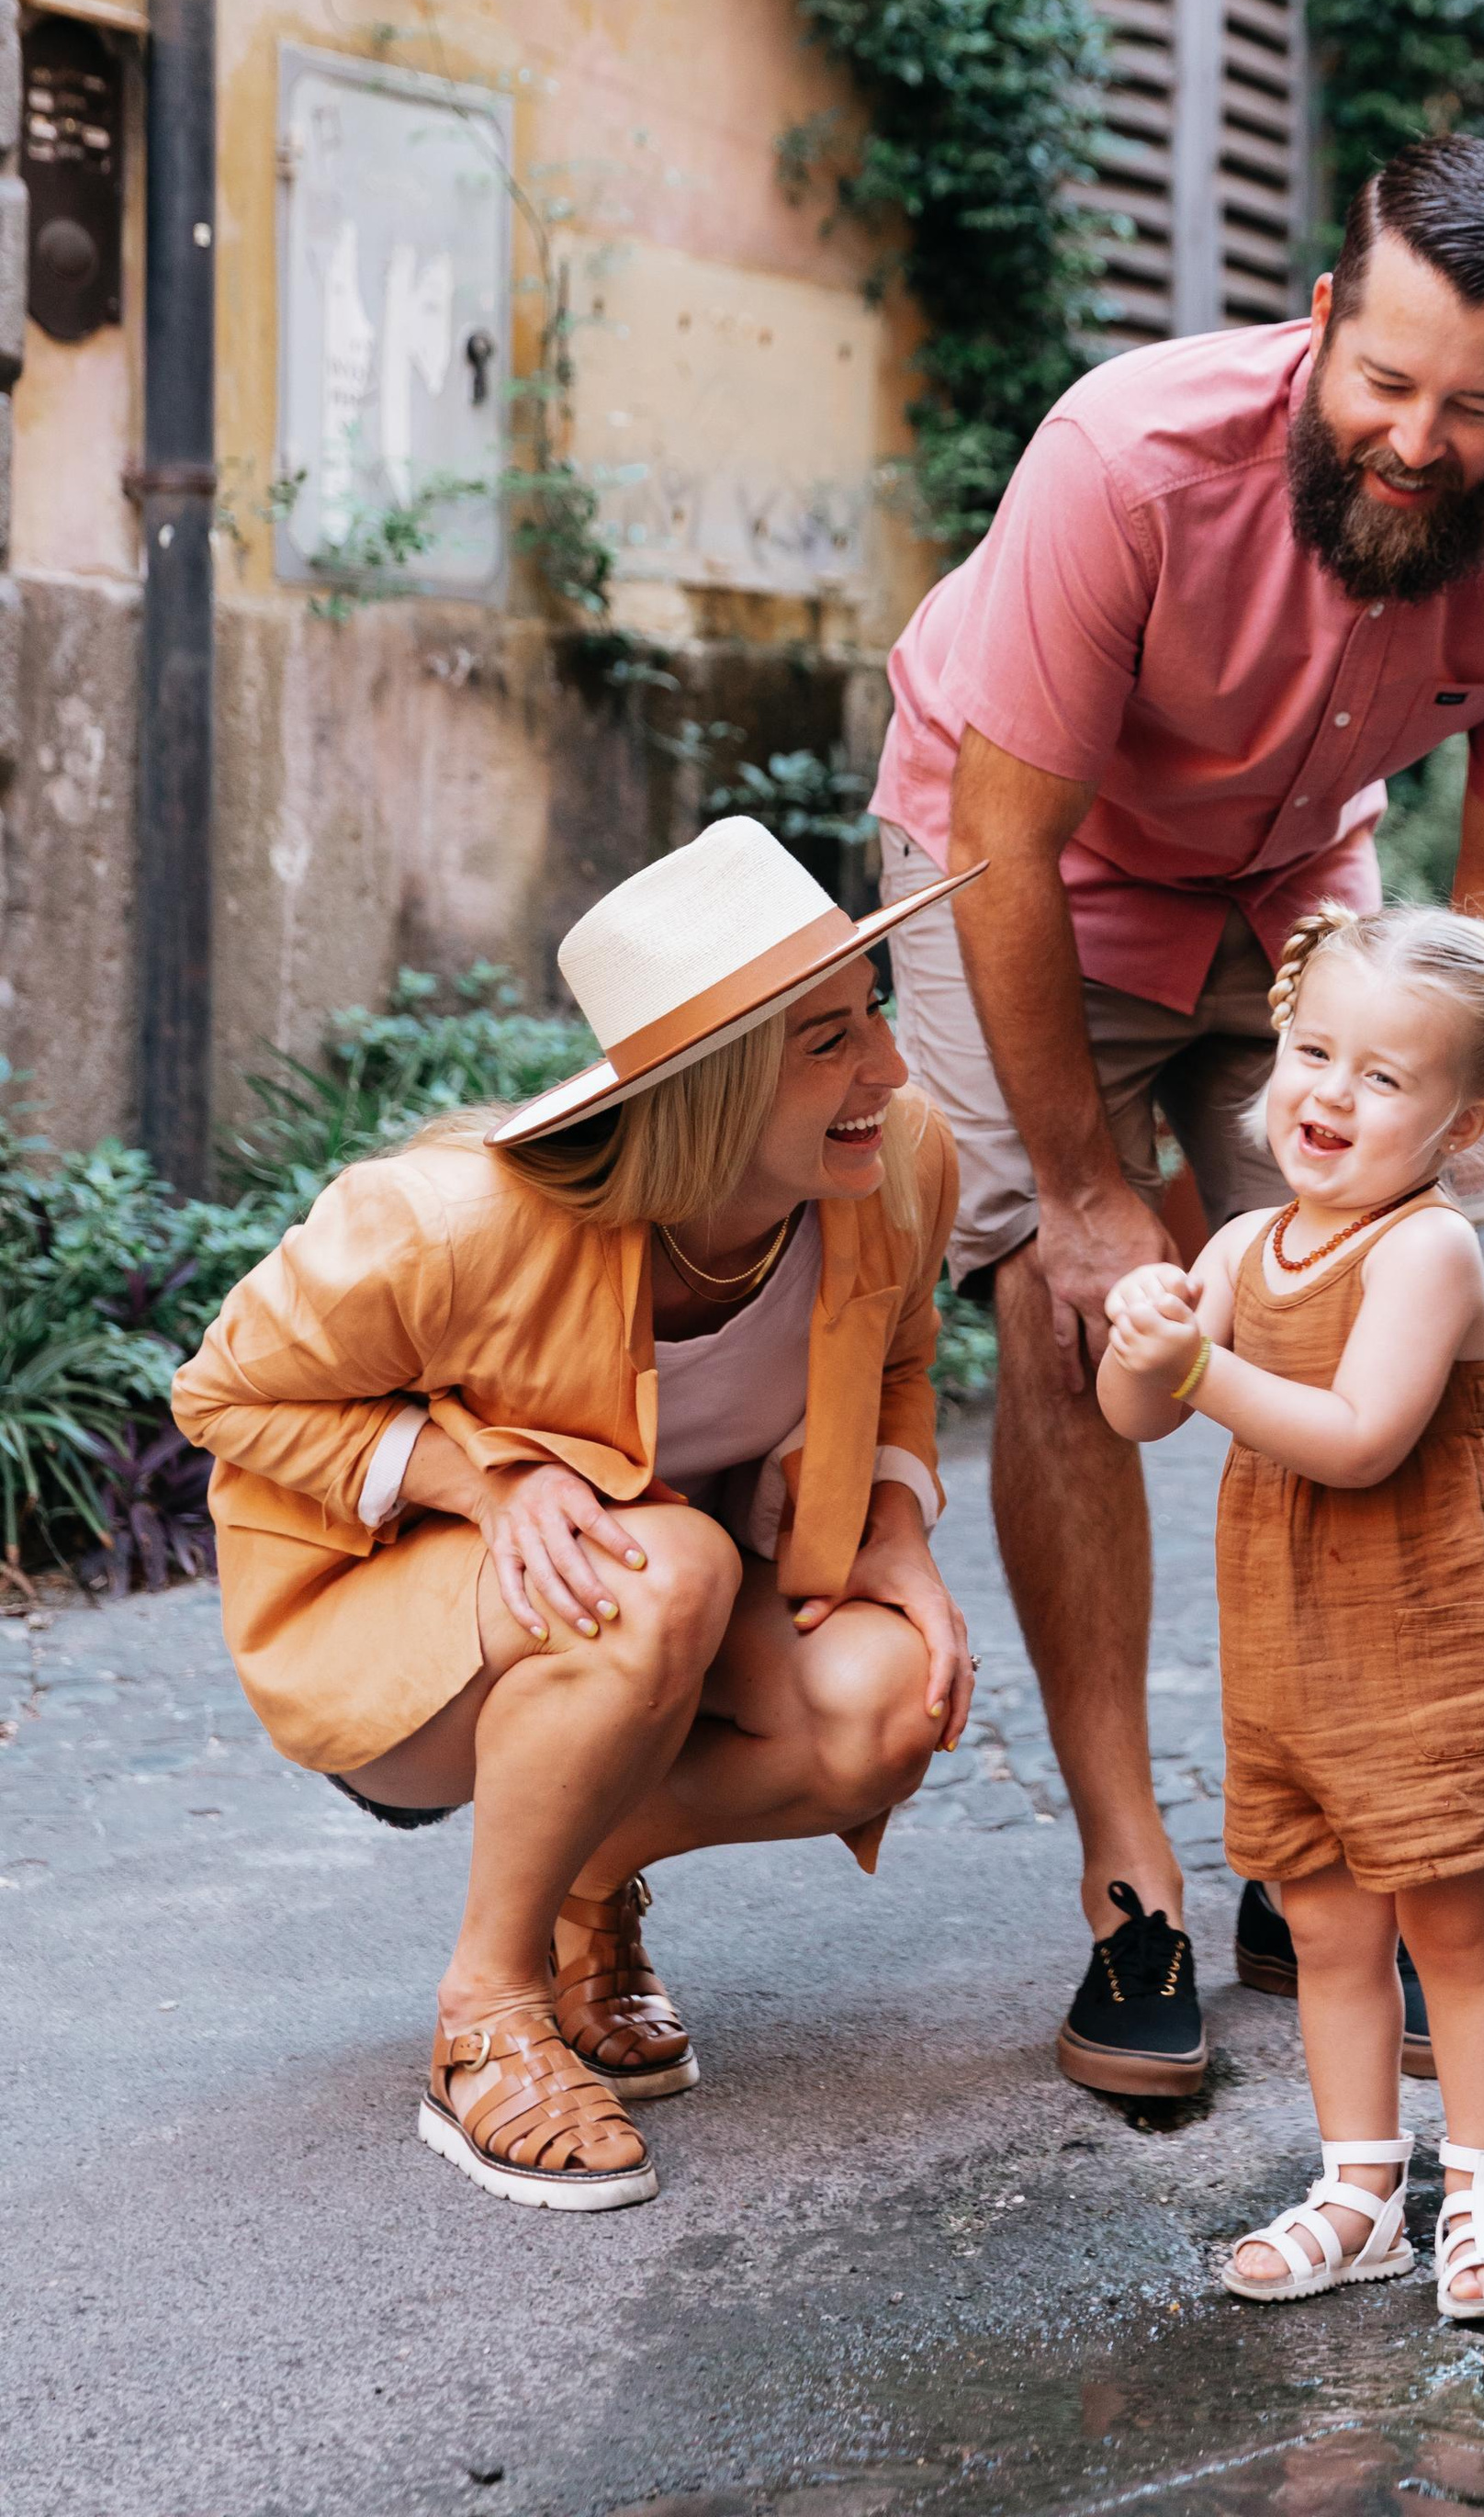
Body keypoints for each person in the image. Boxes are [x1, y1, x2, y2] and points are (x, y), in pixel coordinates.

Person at [872, 134, 1484, 2090]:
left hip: (1309, 886)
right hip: (1037, 877)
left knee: (1354, 1301)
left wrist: (1432, 1152)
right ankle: (1126, 1872)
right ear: (1318, 324)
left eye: (1471, 406)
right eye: (1380, 383)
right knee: (1082, 1312)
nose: (1411, 439)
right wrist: (1077, 1193)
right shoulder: (1125, 453)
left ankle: (1325, 1838)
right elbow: (1002, 845)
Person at [172, 818, 983, 2212]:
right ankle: (484, 2021)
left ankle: (584, 1868)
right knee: (659, 1561)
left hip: (668, 1599)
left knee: (885, 1706)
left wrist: (897, 1523)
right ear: (711, 1087)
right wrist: (479, 1477)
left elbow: (899, 1356)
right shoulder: (443, 1224)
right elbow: (226, 1395)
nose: (889, 1069)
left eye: (878, 1017)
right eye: (829, 1041)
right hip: (417, 1655)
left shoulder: (895, 1165)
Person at [1097, 899, 1484, 2318]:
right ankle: (1359, 2188)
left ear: (1460, 1124)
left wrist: (1197, 1375)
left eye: (1384, 1077)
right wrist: (1147, 1344)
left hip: (1431, 1635)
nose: (1331, 1093)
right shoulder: (1246, 1242)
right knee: (1325, 1925)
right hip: (1288, 1645)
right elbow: (1132, 1421)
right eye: (1315, 1050)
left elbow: (1360, 1435)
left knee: (1453, 1929)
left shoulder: (1427, 1251)